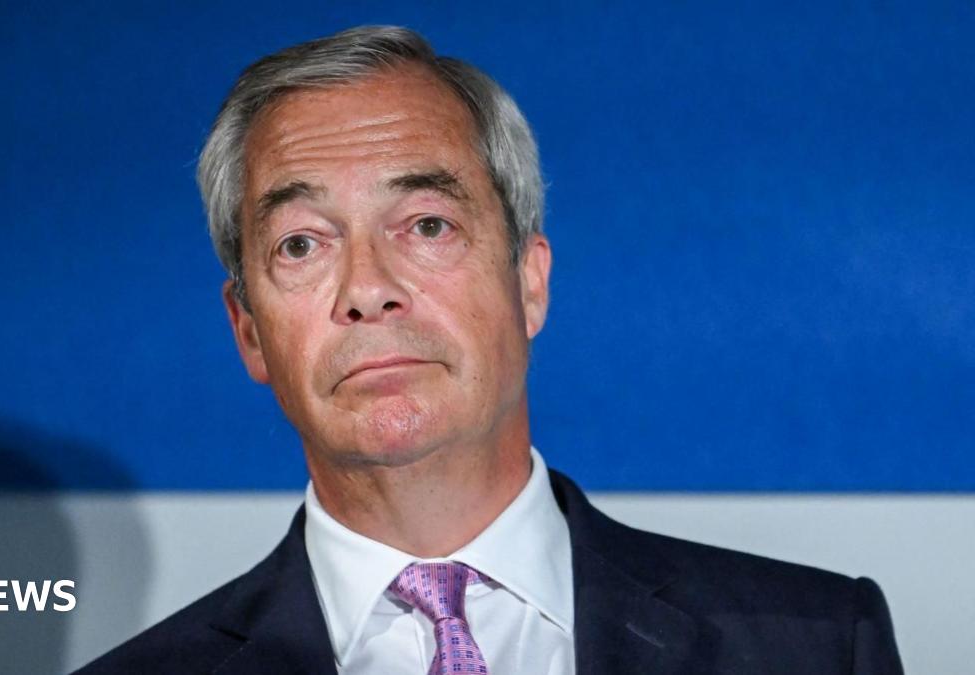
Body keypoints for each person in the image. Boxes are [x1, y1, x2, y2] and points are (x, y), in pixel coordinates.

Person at [76, 25, 903, 674]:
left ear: (529, 281)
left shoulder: (818, 645)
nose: (367, 286)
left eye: (428, 225)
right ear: (248, 330)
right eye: (301, 243)